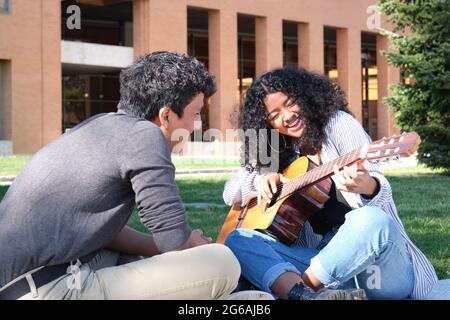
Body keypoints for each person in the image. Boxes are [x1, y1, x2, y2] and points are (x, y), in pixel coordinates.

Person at [0, 52, 241, 300]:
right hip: (51, 289)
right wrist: (189, 243)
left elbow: (105, 232)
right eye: (197, 113)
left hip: (21, 286)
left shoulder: (98, 125)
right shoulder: (145, 135)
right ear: (166, 115)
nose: (198, 125)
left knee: (129, 258)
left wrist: (169, 246)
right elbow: (173, 240)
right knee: (222, 262)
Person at [222, 67, 437, 300]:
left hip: (378, 269)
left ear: (305, 96)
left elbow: (381, 199)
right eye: (274, 115)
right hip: (326, 264)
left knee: (369, 218)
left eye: (291, 102)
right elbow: (229, 192)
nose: (287, 116)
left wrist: (368, 187)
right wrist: (259, 179)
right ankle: (305, 294)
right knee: (238, 239)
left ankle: (300, 291)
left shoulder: (337, 124)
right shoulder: (276, 147)